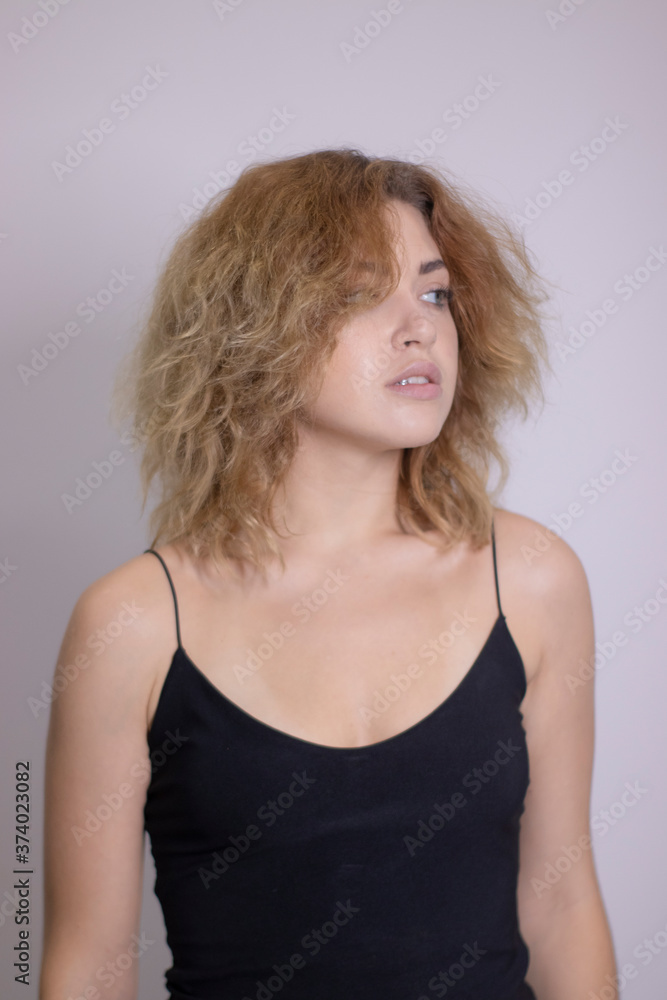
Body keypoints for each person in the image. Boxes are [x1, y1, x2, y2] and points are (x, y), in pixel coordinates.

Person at [39, 148, 617, 999]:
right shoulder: (132, 622)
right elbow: (86, 965)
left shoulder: (531, 579)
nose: (419, 327)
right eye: (358, 294)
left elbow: (560, 899)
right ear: (253, 330)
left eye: (433, 293)